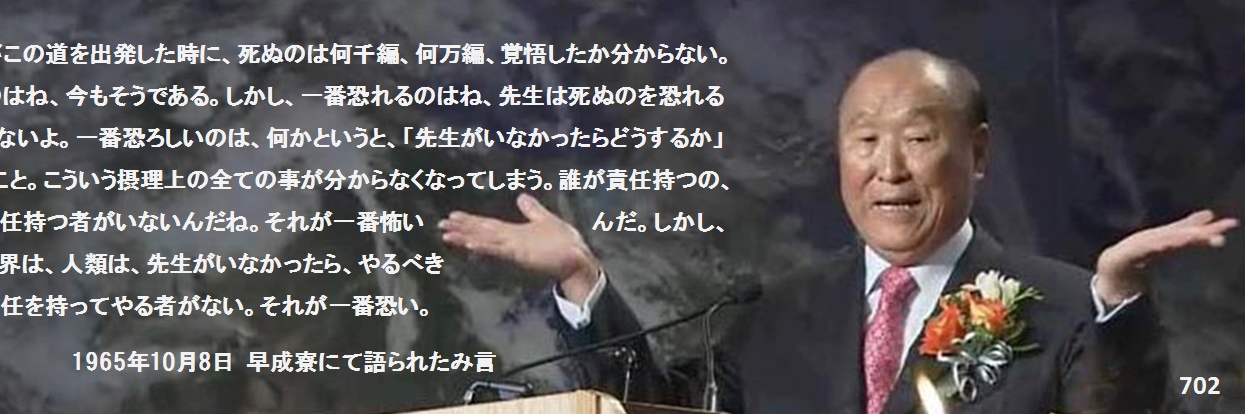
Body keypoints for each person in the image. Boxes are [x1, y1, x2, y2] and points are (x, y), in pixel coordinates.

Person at [439, 49, 1238, 413]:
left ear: (978, 153)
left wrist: (1120, 304)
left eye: (918, 138)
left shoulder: (1064, 306)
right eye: (865, 140)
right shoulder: (773, 310)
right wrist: (582, 280)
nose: (889, 167)